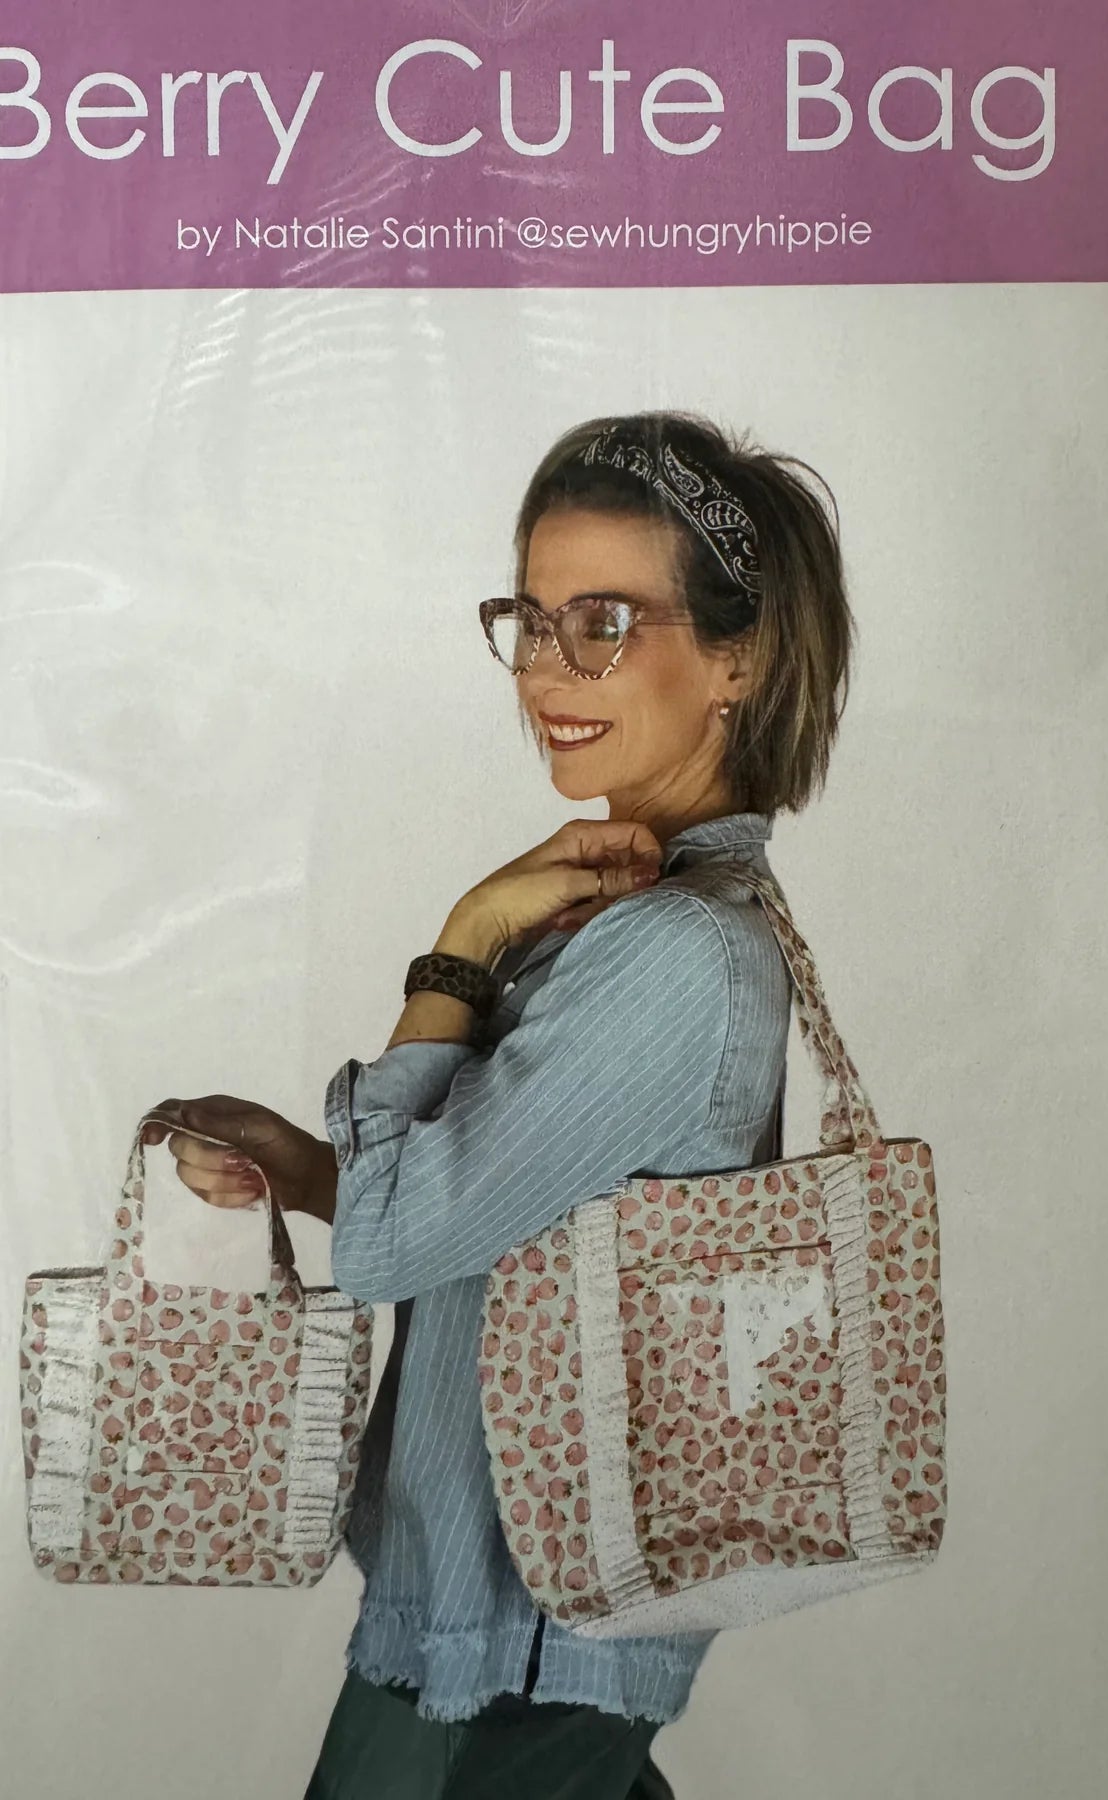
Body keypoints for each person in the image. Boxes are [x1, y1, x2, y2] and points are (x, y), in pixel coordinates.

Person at [144, 411, 853, 1798]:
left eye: (604, 623)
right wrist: (307, 1168)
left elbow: (397, 1246)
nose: (544, 669)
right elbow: (509, 1218)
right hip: (499, 1609)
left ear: (741, 657)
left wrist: (462, 939)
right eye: (530, 622)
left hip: (517, 1637)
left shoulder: (672, 950)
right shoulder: (622, 917)